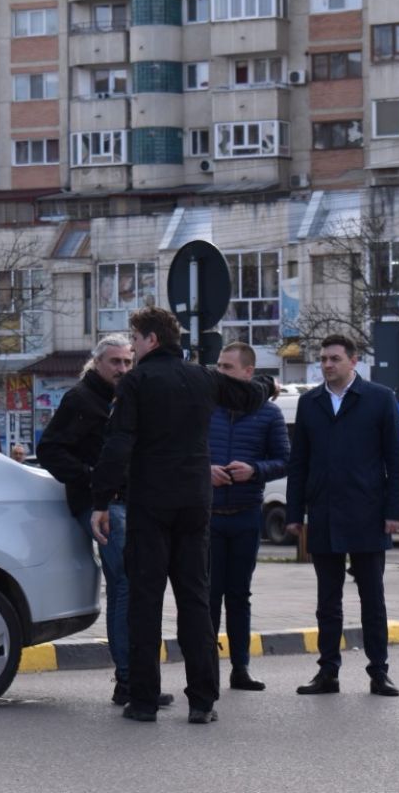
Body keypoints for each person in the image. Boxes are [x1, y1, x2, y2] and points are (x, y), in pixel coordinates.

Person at [89, 306, 276, 726]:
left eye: (135, 339)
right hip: (194, 503)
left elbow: (118, 443)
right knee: (195, 600)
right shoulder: (203, 377)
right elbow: (249, 396)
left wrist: (101, 500)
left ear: (152, 339)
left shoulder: (137, 382)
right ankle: (202, 701)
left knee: (145, 602)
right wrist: (268, 385)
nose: (133, 347)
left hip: (149, 504)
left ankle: (143, 700)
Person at [37, 334, 172, 708]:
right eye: (115, 362)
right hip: (102, 506)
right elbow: (50, 449)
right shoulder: (81, 399)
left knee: (123, 586)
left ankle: (129, 679)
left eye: (128, 362)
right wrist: (92, 477)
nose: (123, 369)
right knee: (127, 583)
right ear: (97, 363)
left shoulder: (129, 397)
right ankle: (131, 679)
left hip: (131, 502)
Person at [285, 334, 399, 698]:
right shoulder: (310, 403)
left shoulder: (379, 399)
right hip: (324, 513)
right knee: (328, 601)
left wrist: (394, 511)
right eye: (323, 359)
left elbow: (396, 460)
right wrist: (294, 512)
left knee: (372, 599)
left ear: (353, 361)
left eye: (334, 358)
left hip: (368, 513)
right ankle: (328, 671)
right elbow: (299, 462)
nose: (327, 364)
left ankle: (379, 671)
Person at [207, 341, 289, 693]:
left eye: (227, 367)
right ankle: (206, 669)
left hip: (245, 515)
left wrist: (254, 470)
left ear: (248, 372)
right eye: (219, 366)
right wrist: (205, 471)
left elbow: (285, 460)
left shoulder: (269, 414)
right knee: (208, 596)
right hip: (207, 516)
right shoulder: (205, 407)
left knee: (239, 595)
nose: (220, 372)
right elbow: (183, 452)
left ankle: (240, 668)